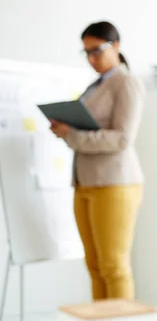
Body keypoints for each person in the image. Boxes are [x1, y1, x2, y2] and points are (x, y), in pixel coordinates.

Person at [50, 21, 145, 300]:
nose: (91, 59)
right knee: (94, 266)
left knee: (113, 267)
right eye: (86, 53)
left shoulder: (127, 83)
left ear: (115, 46)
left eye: (96, 51)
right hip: (85, 182)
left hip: (115, 183)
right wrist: (65, 130)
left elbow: (122, 139)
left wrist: (72, 135)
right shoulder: (95, 85)